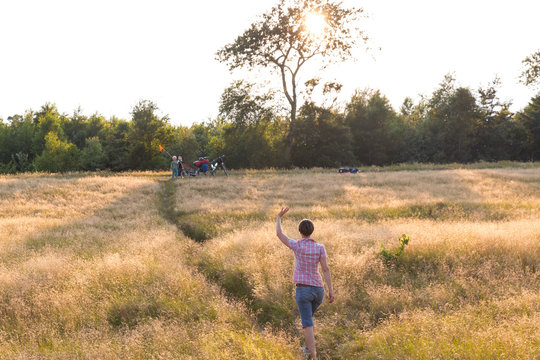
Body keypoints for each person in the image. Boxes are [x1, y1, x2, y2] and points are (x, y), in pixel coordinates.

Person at [276, 207, 334, 360]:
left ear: (300, 232)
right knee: (308, 319)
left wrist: (278, 217)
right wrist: (331, 291)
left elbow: (279, 234)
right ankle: (307, 349)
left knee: (307, 324)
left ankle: (313, 357)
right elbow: (326, 269)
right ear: (312, 231)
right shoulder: (320, 247)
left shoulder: (297, 245)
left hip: (303, 291)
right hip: (319, 291)